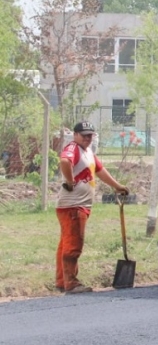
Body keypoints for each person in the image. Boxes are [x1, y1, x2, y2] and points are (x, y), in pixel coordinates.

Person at [55, 121, 129, 294]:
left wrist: (117, 186)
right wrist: (70, 181)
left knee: (65, 244)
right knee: (73, 245)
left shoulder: (87, 152)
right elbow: (65, 161)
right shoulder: (73, 148)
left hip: (79, 206)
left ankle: (62, 281)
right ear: (75, 135)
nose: (88, 138)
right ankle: (71, 284)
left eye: (90, 135)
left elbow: (100, 171)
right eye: (84, 135)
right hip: (73, 206)